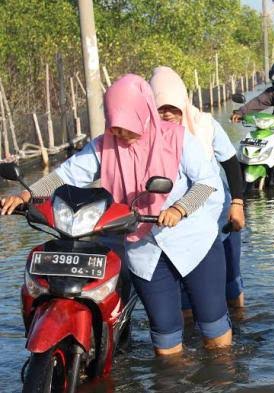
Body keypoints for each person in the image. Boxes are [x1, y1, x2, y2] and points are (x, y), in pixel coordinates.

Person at [1, 74, 232, 356]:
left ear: (144, 112)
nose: (121, 134)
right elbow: (66, 174)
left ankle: (221, 378)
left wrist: (179, 209)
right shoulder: (104, 145)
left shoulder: (177, 137)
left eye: (128, 126)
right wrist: (26, 195)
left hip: (194, 242)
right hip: (142, 247)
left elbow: (207, 181)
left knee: (213, 328)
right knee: (164, 338)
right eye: (116, 126)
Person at [150, 66, 246, 309]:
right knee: (185, 296)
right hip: (176, 225)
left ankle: (238, 326)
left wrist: (237, 203)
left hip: (217, 218)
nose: (168, 113)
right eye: (160, 107)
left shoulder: (205, 124)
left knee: (231, 282)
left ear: (183, 102)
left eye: (173, 106)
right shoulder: (147, 135)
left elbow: (231, 164)